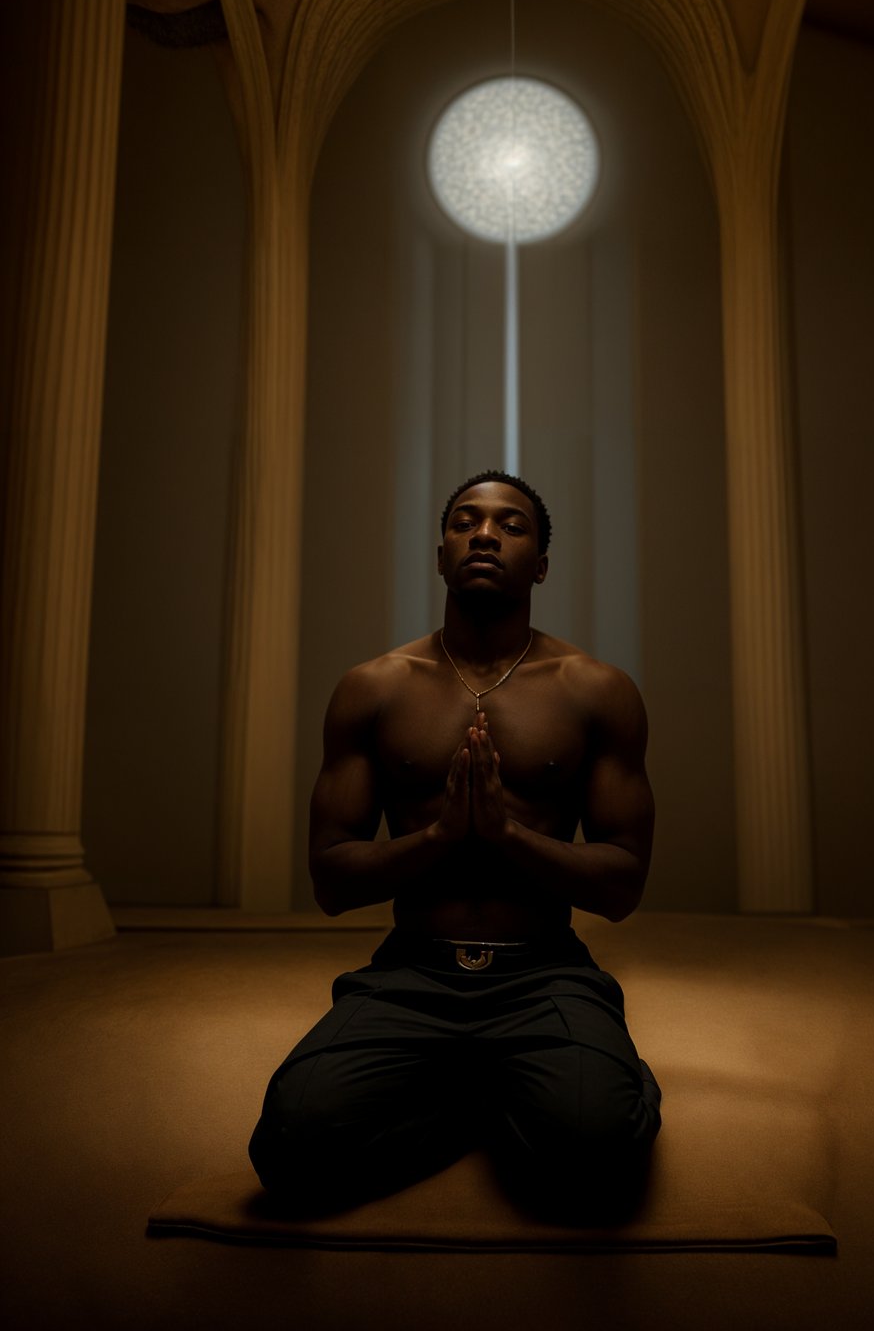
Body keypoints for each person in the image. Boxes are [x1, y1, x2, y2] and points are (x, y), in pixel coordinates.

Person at [248, 471, 661, 1221]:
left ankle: (587, 1078)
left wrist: (507, 836)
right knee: (287, 1151)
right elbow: (332, 882)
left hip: (544, 973)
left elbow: (622, 886)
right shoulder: (373, 688)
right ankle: (488, 1103)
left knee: (597, 1160)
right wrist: (442, 837)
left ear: (540, 564)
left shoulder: (596, 690)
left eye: (511, 525)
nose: (484, 534)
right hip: (413, 972)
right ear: (440, 555)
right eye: (465, 522)